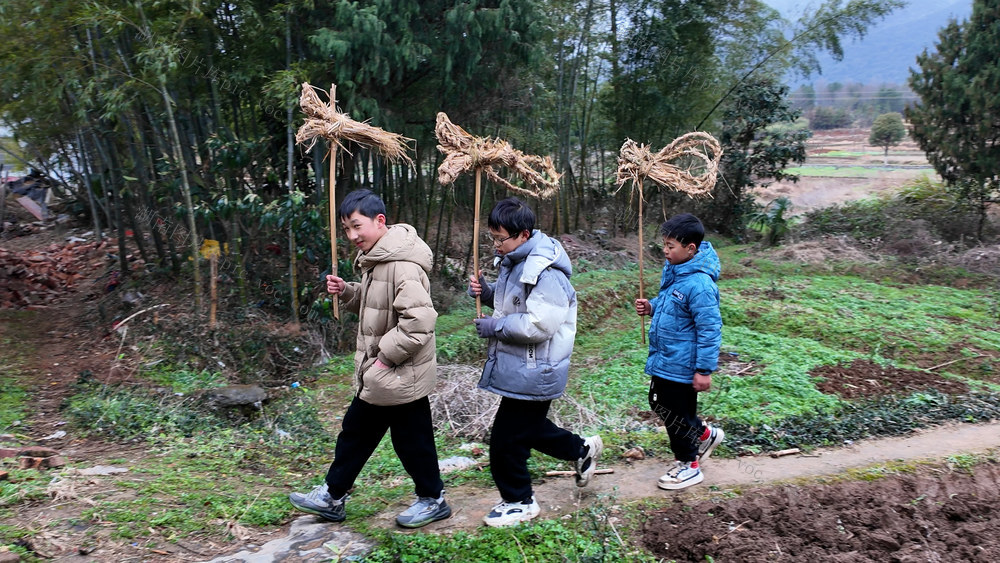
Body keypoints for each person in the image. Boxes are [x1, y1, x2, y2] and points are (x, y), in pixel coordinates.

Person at [288, 189, 450, 528]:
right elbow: (378, 302)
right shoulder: (378, 259)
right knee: (359, 433)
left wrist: (383, 360)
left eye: (356, 226)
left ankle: (432, 500)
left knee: (409, 442)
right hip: (384, 375)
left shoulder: (403, 265)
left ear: (380, 221)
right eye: (346, 228)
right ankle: (334, 496)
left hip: (398, 371)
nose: (351, 236)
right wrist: (348, 292)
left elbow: (419, 322)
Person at [468, 196, 602, 527]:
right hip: (523, 366)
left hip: (537, 367)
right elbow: (516, 300)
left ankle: (519, 501)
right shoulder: (516, 260)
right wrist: (487, 293)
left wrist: (495, 326)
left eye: (502, 239)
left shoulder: (547, 273)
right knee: (528, 430)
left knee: (506, 441)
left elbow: (538, 325)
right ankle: (581, 449)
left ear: (524, 234)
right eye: (493, 237)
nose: (496, 245)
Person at [634, 213, 724, 491]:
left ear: (691, 249)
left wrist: (703, 370)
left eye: (671, 245)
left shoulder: (701, 285)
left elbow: (710, 329)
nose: (665, 250)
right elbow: (669, 303)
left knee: (677, 415)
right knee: (659, 403)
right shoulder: (676, 271)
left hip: (683, 365)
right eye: (665, 244)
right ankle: (705, 434)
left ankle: (689, 466)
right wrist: (651, 306)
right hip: (666, 358)